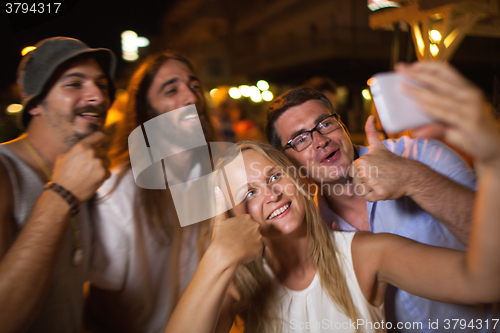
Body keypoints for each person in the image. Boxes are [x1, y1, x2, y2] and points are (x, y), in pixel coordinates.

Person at [162, 69, 500, 331]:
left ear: (292, 176)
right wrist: (218, 255)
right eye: (249, 193)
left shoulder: (364, 249)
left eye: (325, 123)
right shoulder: (242, 285)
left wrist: (489, 159)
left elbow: (485, 280)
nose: (320, 140)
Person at [265, 68, 492, 330]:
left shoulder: (420, 155)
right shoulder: (311, 231)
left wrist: (413, 179)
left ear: (343, 126)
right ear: (286, 162)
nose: (320, 141)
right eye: (300, 139)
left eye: (325, 124)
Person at [85, 52, 216, 333]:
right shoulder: (117, 192)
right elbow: (101, 305)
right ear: (147, 111)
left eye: (194, 86)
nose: (191, 98)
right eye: (171, 90)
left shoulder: (214, 175)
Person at [0, 37, 114, 333]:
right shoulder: (5, 171)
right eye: (74, 84)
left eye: (101, 85)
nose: (98, 97)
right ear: (35, 103)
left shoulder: (87, 177)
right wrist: (62, 195)